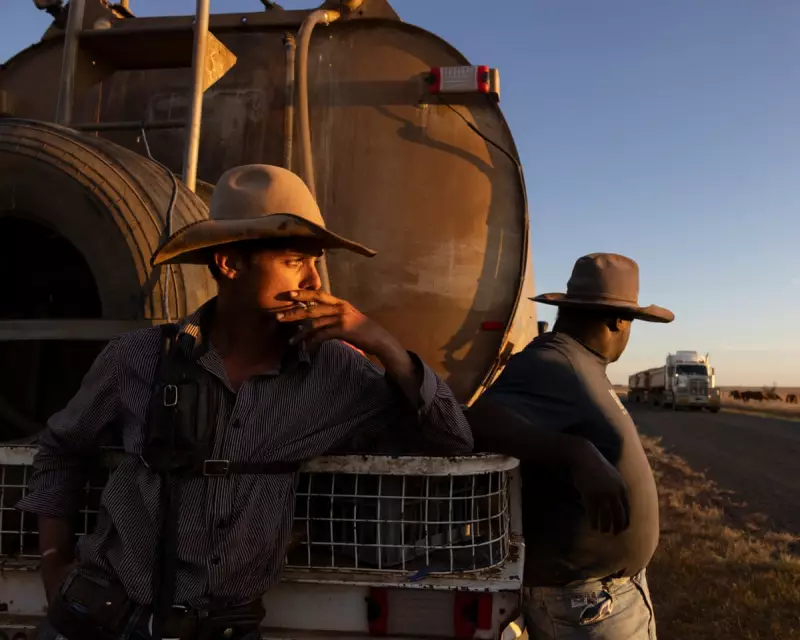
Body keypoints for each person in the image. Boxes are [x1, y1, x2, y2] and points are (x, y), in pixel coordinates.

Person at [17, 164, 474, 640]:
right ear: (230, 264)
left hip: (224, 628)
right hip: (102, 617)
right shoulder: (140, 356)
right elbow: (61, 450)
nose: (315, 281)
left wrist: (385, 345)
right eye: (296, 261)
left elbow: (454, 440)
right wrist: (54, 567)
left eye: (315, 262)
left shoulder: (334, 369)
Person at [467, 253, 673, 640]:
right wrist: (575, 452)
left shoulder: (581, 364)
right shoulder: (553, 361)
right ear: (619, 321)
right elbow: (480, 421)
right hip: (588, 606)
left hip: (603, 599)